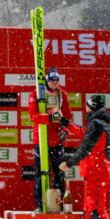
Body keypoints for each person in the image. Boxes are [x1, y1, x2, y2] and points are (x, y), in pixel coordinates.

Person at [59, 95, 110, 219]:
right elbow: (83, 132)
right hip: (95, 173)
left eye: (87, 106)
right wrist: (65, 122)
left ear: (91, 107)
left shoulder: (96, 124)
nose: (85, 109)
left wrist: (68, 163)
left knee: (97, 211)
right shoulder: (99, 124)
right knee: (89, 212)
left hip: (97, 173)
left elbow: (85, 148)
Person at [28, 67, 73, 211]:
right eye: (52, 81)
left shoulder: (62, 95)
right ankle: (40, 205)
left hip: (56, 141)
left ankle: (57, 205)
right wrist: (49, 118)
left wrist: (65, 131)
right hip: (41, 140)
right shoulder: (36, 94)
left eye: (56, 81)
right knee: (41, 174)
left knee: (59, 174)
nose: (54, 83)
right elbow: (33, 115)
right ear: (47, 81)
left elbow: (68, 117)